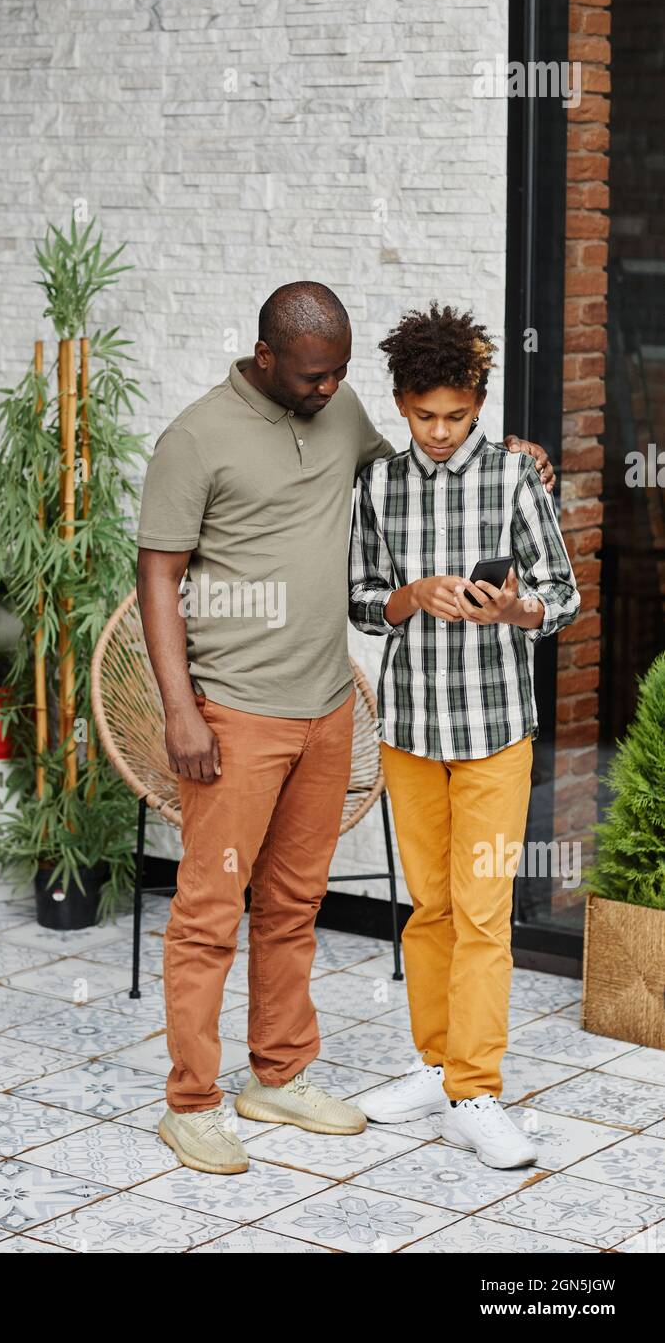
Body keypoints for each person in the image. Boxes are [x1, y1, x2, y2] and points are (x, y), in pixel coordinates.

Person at [136, 281, 556, 1176]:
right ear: (266, 360)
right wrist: (180, 710)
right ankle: (194, 1101)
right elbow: (158, 580)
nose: (333, 390)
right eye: (316, 376)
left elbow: (428, 460)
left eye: (339, 376)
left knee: (292, 907)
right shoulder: (196, 438)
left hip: (329, 710)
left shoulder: (343, 411)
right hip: (233, 715)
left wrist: (514, 453)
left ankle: (279, 1074)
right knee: (210, 911)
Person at [348, 301, 580, 1169]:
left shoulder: (518, 480)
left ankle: (476, 1093)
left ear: (479, 402)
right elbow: (362, 599)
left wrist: (515, 609)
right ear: (402, 403)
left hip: (493, 733)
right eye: (423, 415)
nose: (440, 432)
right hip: (409, 731)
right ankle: (434, 1063)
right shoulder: (378, 485)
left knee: (483, 915)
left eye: (456, 415)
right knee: (431, 910)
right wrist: (410, 598)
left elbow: (562, 596)